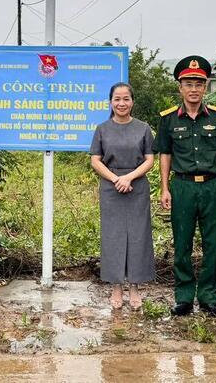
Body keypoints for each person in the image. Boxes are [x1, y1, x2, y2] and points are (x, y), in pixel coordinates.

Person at [154, 56, 216, 318]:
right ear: (180, 87)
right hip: (183, 187)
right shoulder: (168, 119)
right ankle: (184, 297)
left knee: (213, 244)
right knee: (182, 245)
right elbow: (165, 155)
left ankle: (209, 298)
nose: (193, 89)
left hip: (213, 187)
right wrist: (164, 188)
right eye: (188, 83)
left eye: (199, 84)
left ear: (205, 87)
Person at [90, 82, 155, 310]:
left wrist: (129, 178)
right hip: (111, 187)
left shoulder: (143, 128)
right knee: (113, 237)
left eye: (126, 99)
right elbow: (95, 160)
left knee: (138, 236)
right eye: (117, 99)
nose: (121, 103)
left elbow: (149, 159)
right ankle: (116, 287)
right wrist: (116, 179)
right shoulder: (102, 129)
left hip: (137, 186)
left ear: (132, 101)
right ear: (111, 102)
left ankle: (135, 287)